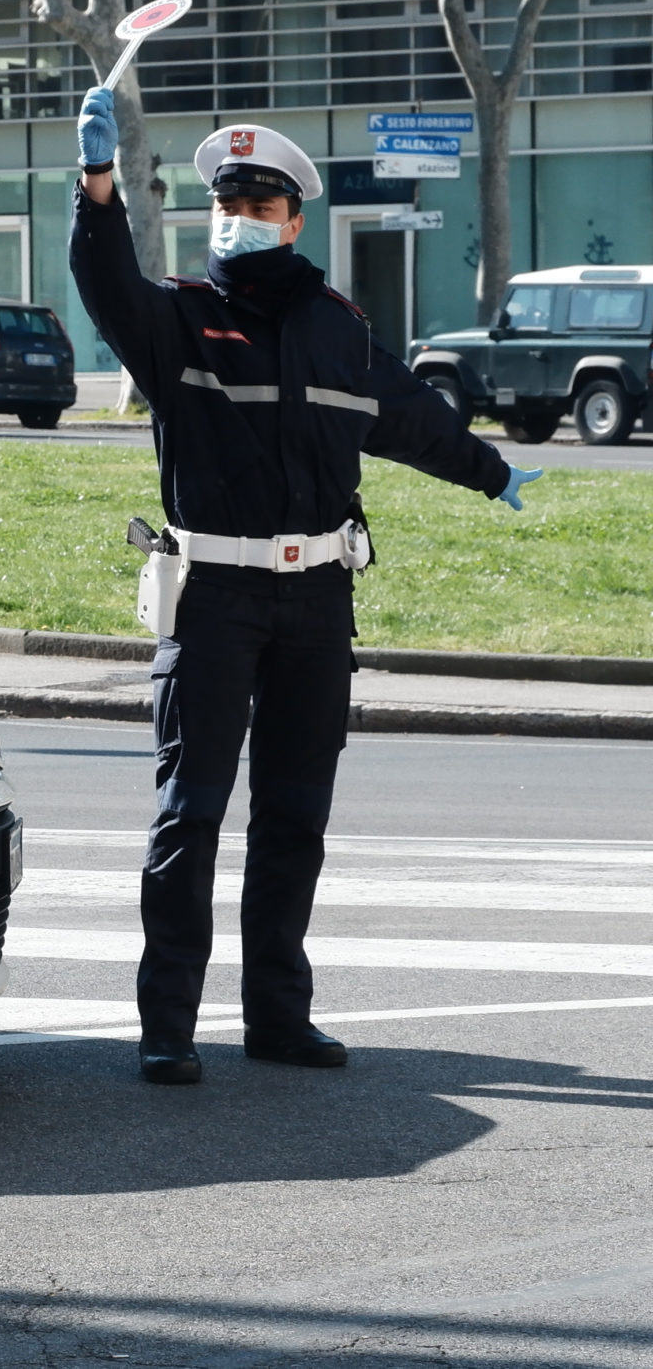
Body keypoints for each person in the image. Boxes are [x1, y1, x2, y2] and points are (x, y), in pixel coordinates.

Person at [71, 87, 545, 1086]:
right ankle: (167, 1027)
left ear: (295, 218)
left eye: (258, 204)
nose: (238, 219)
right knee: (189, 813)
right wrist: (98, 188)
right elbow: (103, 282)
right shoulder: (176, 321)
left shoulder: (339, 327)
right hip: (212, 597)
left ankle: (278, 1019)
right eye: (226, 203)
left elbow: (410, 416)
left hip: (317, 601)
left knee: (293, 815)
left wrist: (490, 469)